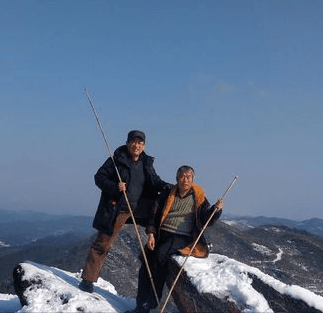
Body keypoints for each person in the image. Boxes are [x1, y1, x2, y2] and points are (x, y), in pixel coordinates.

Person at [79, 130, 171, 294]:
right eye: (134, 142)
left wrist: (169, 187)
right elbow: (99, 177)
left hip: (140, 206)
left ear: (144, 146)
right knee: (104, 242)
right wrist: (115, 187)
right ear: (128, 143)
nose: (137, 146)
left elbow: (155, 181)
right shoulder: (116, 160)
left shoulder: (146, 162)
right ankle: (87, 279)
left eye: (140, 143)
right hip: (120, 206)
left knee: (162, 215)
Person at [128, 165, 223, 313]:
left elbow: (206, 220)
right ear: (177, 179)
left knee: (160, 256)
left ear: (193, 179)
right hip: (162, 233)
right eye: (182, 176)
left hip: (182, 236)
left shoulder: (198, 197)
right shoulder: (167, 194)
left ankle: (151, 303)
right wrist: (151, 233)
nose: (185, 180)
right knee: (145, 263)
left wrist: (216, 210)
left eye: (188, 177)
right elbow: (155, 213)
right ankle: (140, 305)